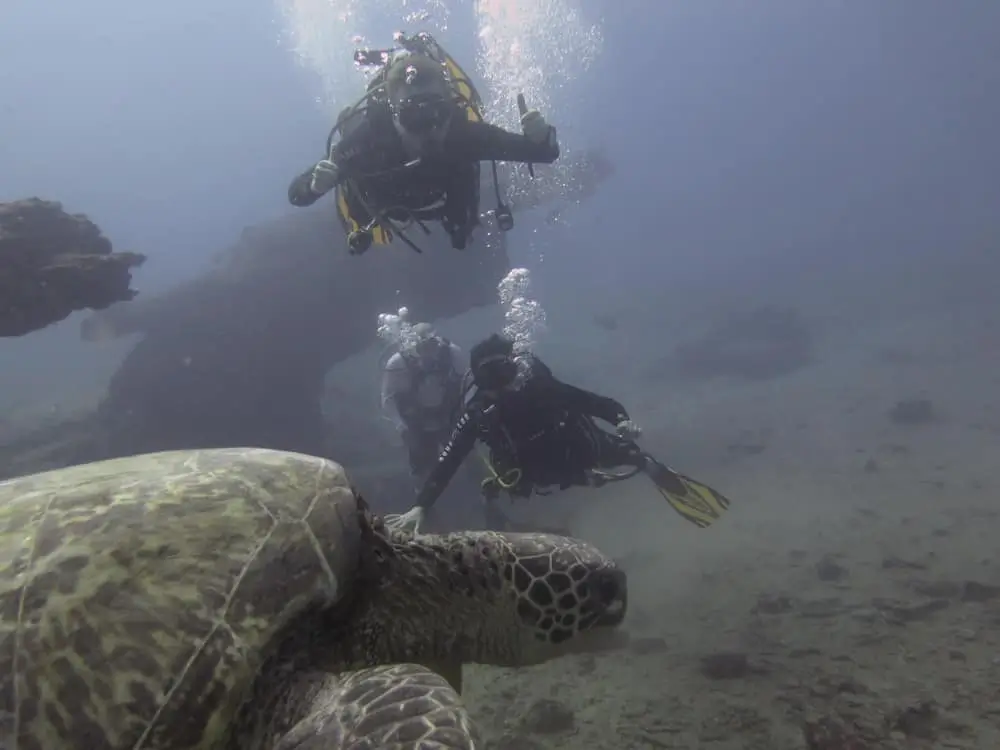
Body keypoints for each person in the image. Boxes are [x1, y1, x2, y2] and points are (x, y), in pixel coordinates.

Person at [386, 333, 732, 534]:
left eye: (503, 371)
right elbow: (449, 460)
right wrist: (420, 506)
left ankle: (657, 473)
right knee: (494, 487)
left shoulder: (540, 387)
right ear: (477, 378)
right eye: (488, 376)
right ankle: (502, 518)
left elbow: (595, 402)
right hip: (530, 472)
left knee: (630, 456)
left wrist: (622, 420)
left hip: (576, 449)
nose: (500, 383)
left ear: (513, 366)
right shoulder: (478, 412)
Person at [287, 32, 560, 255]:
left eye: (437, 114)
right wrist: (314, 187)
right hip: (384, 203)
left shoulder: (463, 135)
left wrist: (542, 139)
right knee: (361, 215)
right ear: (392, 114)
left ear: (449, 110)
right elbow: (296, 195)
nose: (429, 129)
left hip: (444, 197)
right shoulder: (369, 140)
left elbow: (542, 154)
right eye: (413, 117)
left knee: (461, 234)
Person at [381, 323, 465, 480]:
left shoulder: (452, 353)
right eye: (423, 347)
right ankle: (425, 495)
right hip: (416, 420)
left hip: (448, 414)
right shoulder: (398, 364)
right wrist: (401, 427)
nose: (429, 353)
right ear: (413, 348)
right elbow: (388, 398)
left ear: (438, 343)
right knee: (423, 465)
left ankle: (480, 491)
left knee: (464, 453)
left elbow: (466, 384)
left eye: (432, 345)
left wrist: (466, 414)